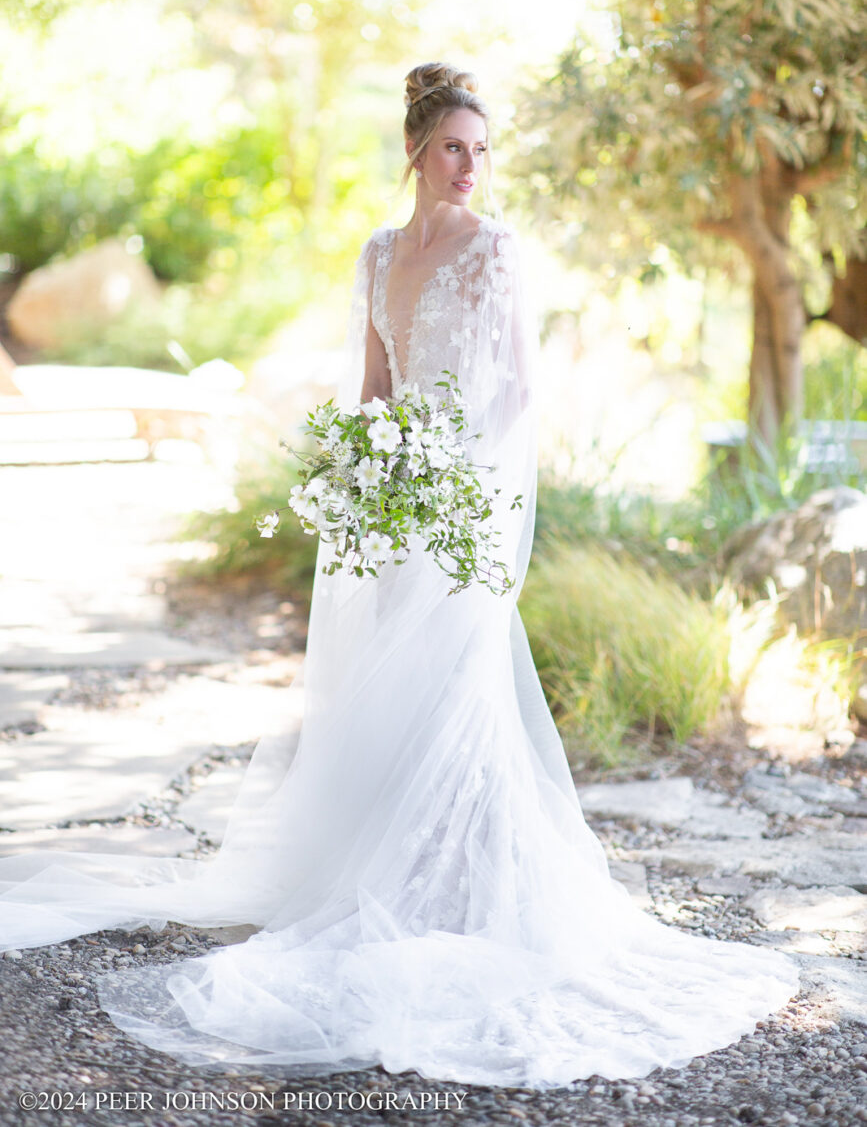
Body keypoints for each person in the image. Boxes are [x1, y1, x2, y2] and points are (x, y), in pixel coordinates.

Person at [0, 62, 800, 1089]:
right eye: (453, 148)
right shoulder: (380, 256)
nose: (471, 167)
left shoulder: (498, 250)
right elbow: (377, 387)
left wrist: (463, 491)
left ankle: (472, 891)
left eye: (483, 149)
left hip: (465, 509)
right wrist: (372, 471)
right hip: (394, 505)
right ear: (416, 153)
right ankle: (387, 873)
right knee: (394, 687)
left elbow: (517, 394)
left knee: (463, 690)